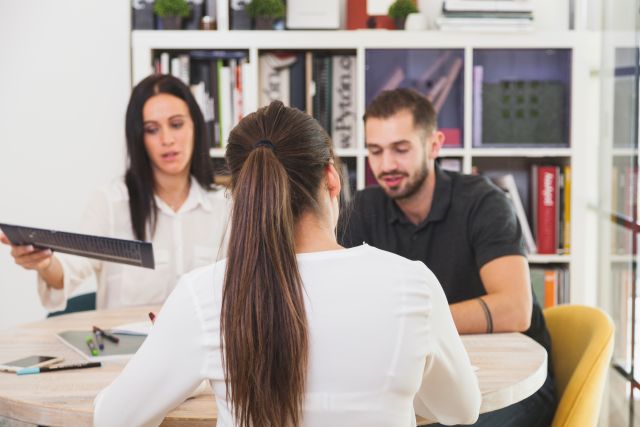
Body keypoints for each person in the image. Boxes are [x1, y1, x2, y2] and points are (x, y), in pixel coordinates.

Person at [93, 101, 481, 427]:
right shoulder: (413, 284)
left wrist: (186, 364)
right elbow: (461, 410)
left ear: (240, 194)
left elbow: (113, 418)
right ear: (331, 178)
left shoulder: (206, 295)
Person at [339, 88, 557, 426]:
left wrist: (413, 325)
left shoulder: (484, 202)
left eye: (401, 149)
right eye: (375, 151)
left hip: (511, 383)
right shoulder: (363, 209)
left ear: (434, 145)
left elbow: (516, 310)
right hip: (426, 378)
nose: (386, 165)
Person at [0, 74, 230, 311]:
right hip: (130, 347)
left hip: (201, 346)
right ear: (138, 138)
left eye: (176, 124)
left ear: (195, 127)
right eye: (152, 129)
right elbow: (68, 271)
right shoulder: (110, 202)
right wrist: (44, 263)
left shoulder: (225, 206)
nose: (167, 139)